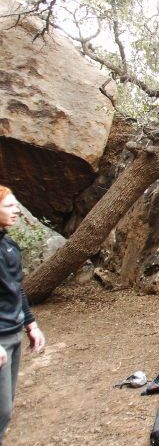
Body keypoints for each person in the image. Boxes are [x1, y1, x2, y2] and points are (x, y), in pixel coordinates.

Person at [0, 186, 45, 443]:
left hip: (13, 332)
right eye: (9, 206)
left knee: (6, 408)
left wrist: (30, 323)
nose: (17, 210)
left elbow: (16, 288)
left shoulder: (9, 245)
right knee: (2, 411)